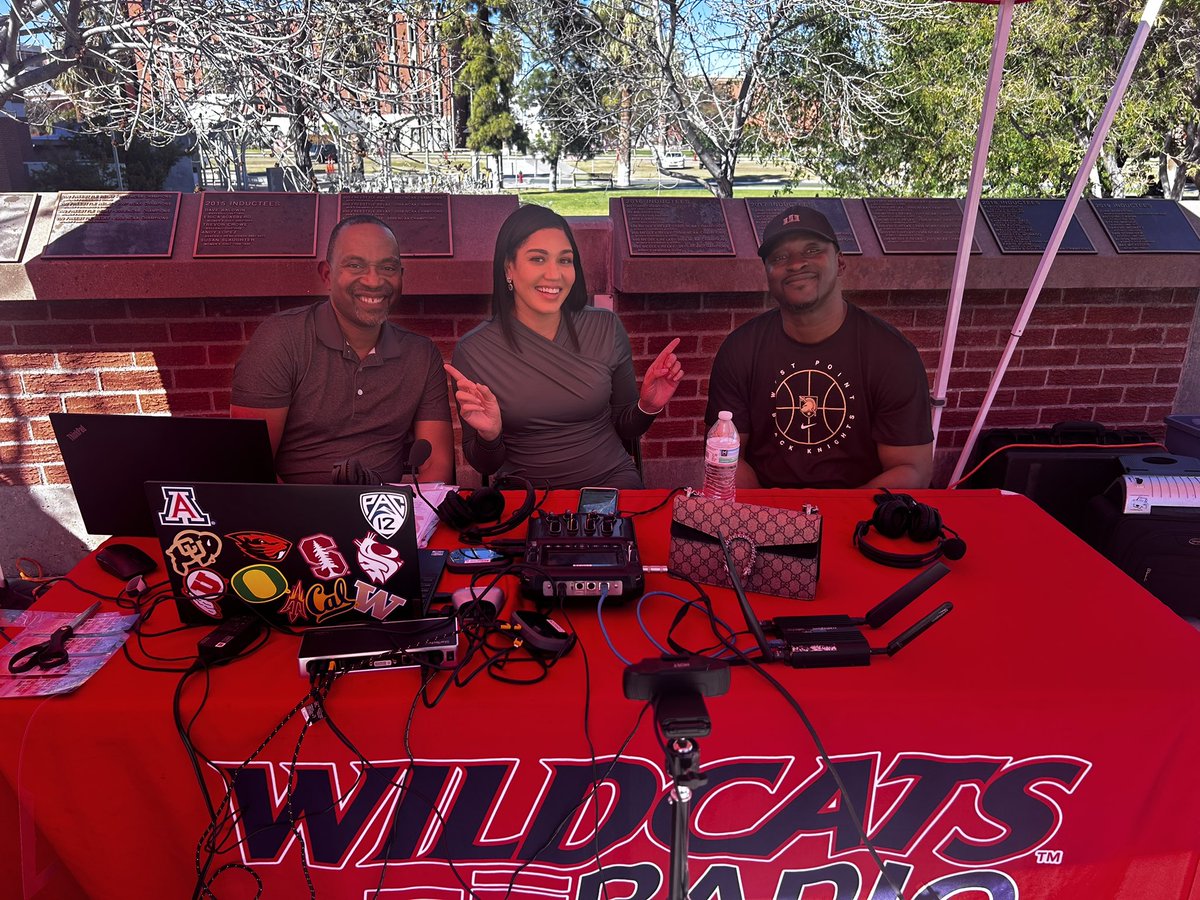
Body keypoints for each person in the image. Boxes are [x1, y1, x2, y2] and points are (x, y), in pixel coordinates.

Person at [445, 204, 683, 489]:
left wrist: (648, 406)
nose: (554, 275)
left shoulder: (605, 328)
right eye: (538, 259)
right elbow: (486, 465)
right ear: (508, 267)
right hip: (525, 494)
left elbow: (625, 426)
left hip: (610, 483)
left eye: (564, 260)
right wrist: (490, 435)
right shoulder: (475, 351)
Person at [706, 205, 933, 489]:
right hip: (768, 515)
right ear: (767, 273)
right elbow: (728, 459)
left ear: (840, 263)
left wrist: (840, 520)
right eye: (780, 257)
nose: (796, 263)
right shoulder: (739, 350)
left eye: (812, 250)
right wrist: (765, 519)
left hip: (860, 515)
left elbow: (912, 468)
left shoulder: (892, 355)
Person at [230, 214, 454, 484]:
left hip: (383, 515)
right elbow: (251, 464)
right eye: (356, 265)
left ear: (401, 276)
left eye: (388, 267)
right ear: (327, 275)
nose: (374, 281)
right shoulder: (280, 340)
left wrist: (414, 520)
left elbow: (435, 466)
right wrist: (313, 519)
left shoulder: (421, 355)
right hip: (294, 514)